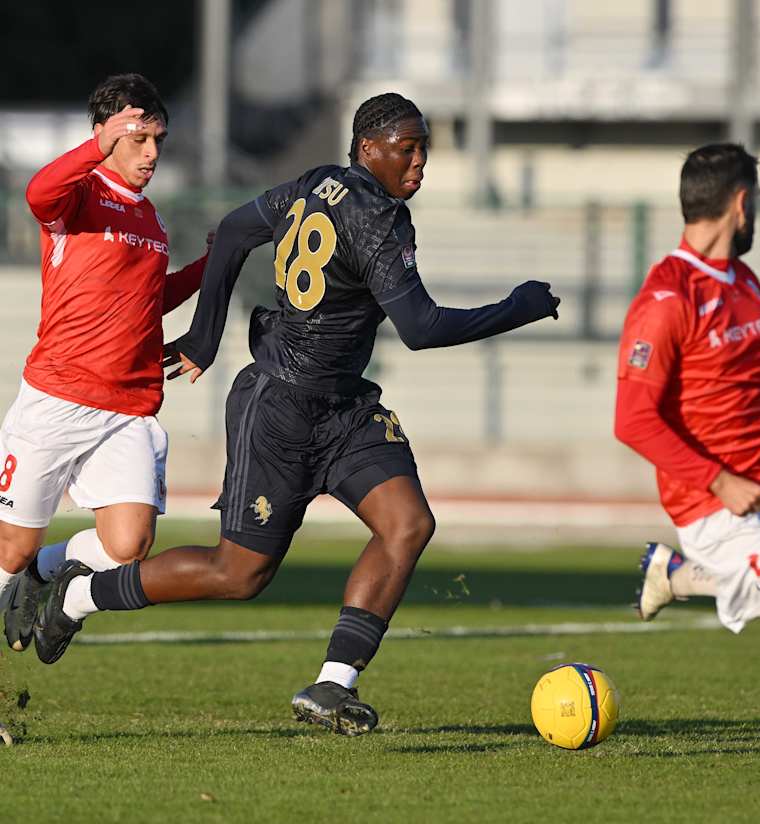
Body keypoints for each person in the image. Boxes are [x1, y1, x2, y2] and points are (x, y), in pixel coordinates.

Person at [34, 92, 561, 735]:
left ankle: (333, 684)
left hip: (343, 404)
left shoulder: (320, 183)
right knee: (239, 575)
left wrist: (205, 334)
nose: (420, 162)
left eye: (424, 148)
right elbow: (420, 329)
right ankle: (81, 594)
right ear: (368, 149)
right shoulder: (378, 218)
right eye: (407, 147)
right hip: (279, 405)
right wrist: (517, 306)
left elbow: (233, 230)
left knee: (407, 524)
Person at [0, 74, 210, 652]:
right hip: (58, 398)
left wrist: (209, 266)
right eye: (138, 137)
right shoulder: (77, 196)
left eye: (158, 140)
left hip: (128, 408)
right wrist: (98, 143)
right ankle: (24, 569)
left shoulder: (152, 218)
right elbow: (37, 193)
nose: (151, 152)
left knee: (127, 545)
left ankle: (42, 577)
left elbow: (151, 298)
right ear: (104, 134)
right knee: (7, 549)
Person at [614, 142, 760, 661]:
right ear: (741, 203)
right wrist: (720, 481)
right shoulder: (666, 300)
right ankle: (689, 572)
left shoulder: (746, 284)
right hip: (715, 505)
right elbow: (633, 421)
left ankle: (678, 576)